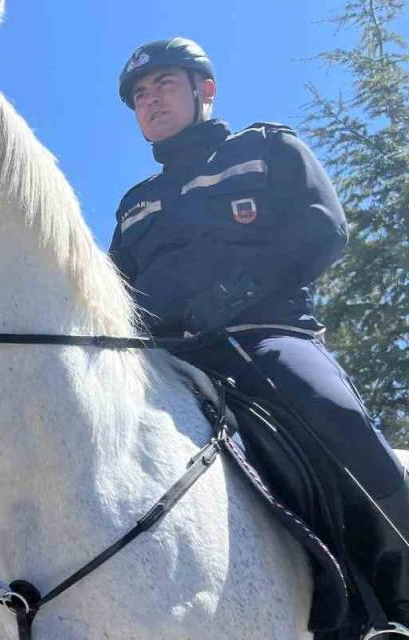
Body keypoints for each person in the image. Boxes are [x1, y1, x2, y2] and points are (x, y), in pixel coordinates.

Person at [110, 37, 409, 634]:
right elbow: (113, 296)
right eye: (139, 95)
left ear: (206, 90)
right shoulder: (134, 204)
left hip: (265, 336)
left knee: (328, 412)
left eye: (164, 83)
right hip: (170, 362)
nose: (150, 100)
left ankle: (397, 599)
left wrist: (236, 294)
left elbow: (324, 227)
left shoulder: (266, 147)